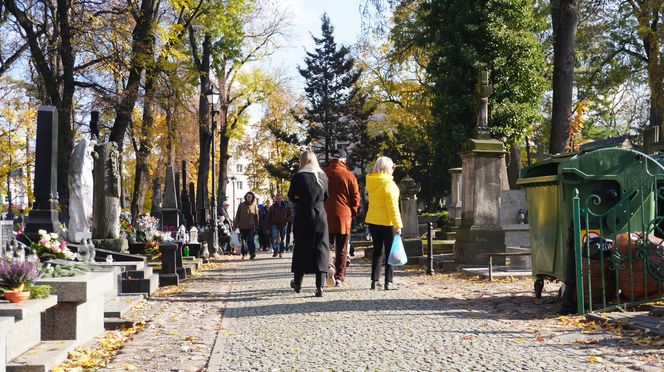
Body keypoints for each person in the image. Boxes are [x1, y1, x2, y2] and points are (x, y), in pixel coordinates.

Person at [288, 149, 329, 297]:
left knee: (301, 247)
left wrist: (300, 197)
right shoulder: (323, 177)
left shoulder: (298, 177)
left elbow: (292, 196)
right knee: (321, 247)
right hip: (320, 213)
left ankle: (298, 282)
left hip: (304, 213)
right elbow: (326, 196)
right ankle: (320, 286)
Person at [323, 149, 360, 287]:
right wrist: (352, 212)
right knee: (342, 248)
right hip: (344, 216)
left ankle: (327, 266)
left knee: (325, 246)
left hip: (325, 215)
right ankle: (339, 276)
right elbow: (356, 198)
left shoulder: (322, 174)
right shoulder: (349, 175)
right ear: (343, 160)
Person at [365, 156, 403, 290]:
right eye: (393, 167)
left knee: (377, 251)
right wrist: (398, 225)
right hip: (387, 222)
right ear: (388, 168)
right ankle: (389, 281)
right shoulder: (389, 184)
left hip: (373, 220)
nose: (394, 170)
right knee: (390, 252)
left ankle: (374, 280)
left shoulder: (371, 182)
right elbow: (393, 207)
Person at [234, 191, 259, 259]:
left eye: (250, 197)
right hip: (242, 226)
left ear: (252, 198)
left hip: (251, 227)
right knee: (243, 241)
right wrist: (234, 227)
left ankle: (252, 253)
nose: (249, 198)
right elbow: (237, 216)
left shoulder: (254, 206)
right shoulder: (241, 205)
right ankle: (244, 254)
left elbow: (257, 217)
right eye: (248, 197)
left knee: (251, 240)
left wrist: (257, 227)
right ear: (246, 197)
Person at [269, 194, 292, 258]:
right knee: (274, 238)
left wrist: (287, 220)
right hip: (274, 224)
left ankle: (281, 252)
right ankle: (276, 251)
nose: (278, 200)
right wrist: (268, 226)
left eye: (279, 199)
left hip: (283, 224)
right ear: (275, 199)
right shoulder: (272, 207)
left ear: (282, 199)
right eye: (277, 199)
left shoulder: (286, 205)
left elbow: (290, 214)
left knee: (282, 238)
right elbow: (270, 217)